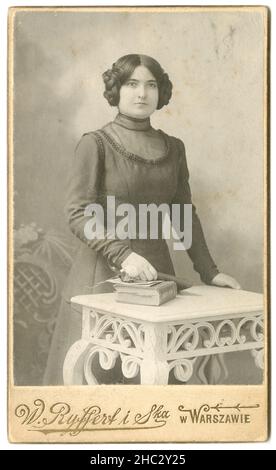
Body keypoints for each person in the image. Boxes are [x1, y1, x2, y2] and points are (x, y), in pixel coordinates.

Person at [43, 54, 240, 385]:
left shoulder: (174, 148)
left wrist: (210, 271)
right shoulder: (95, 144)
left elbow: (183, 215)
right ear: (116, 90)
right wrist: (124, 254)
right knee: (99, 386)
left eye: (151, 85)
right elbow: (77, 212)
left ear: (160, 92)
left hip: (158, 276)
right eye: (132, 84)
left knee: (156, 381)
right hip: (101, 278)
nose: (141, 93)